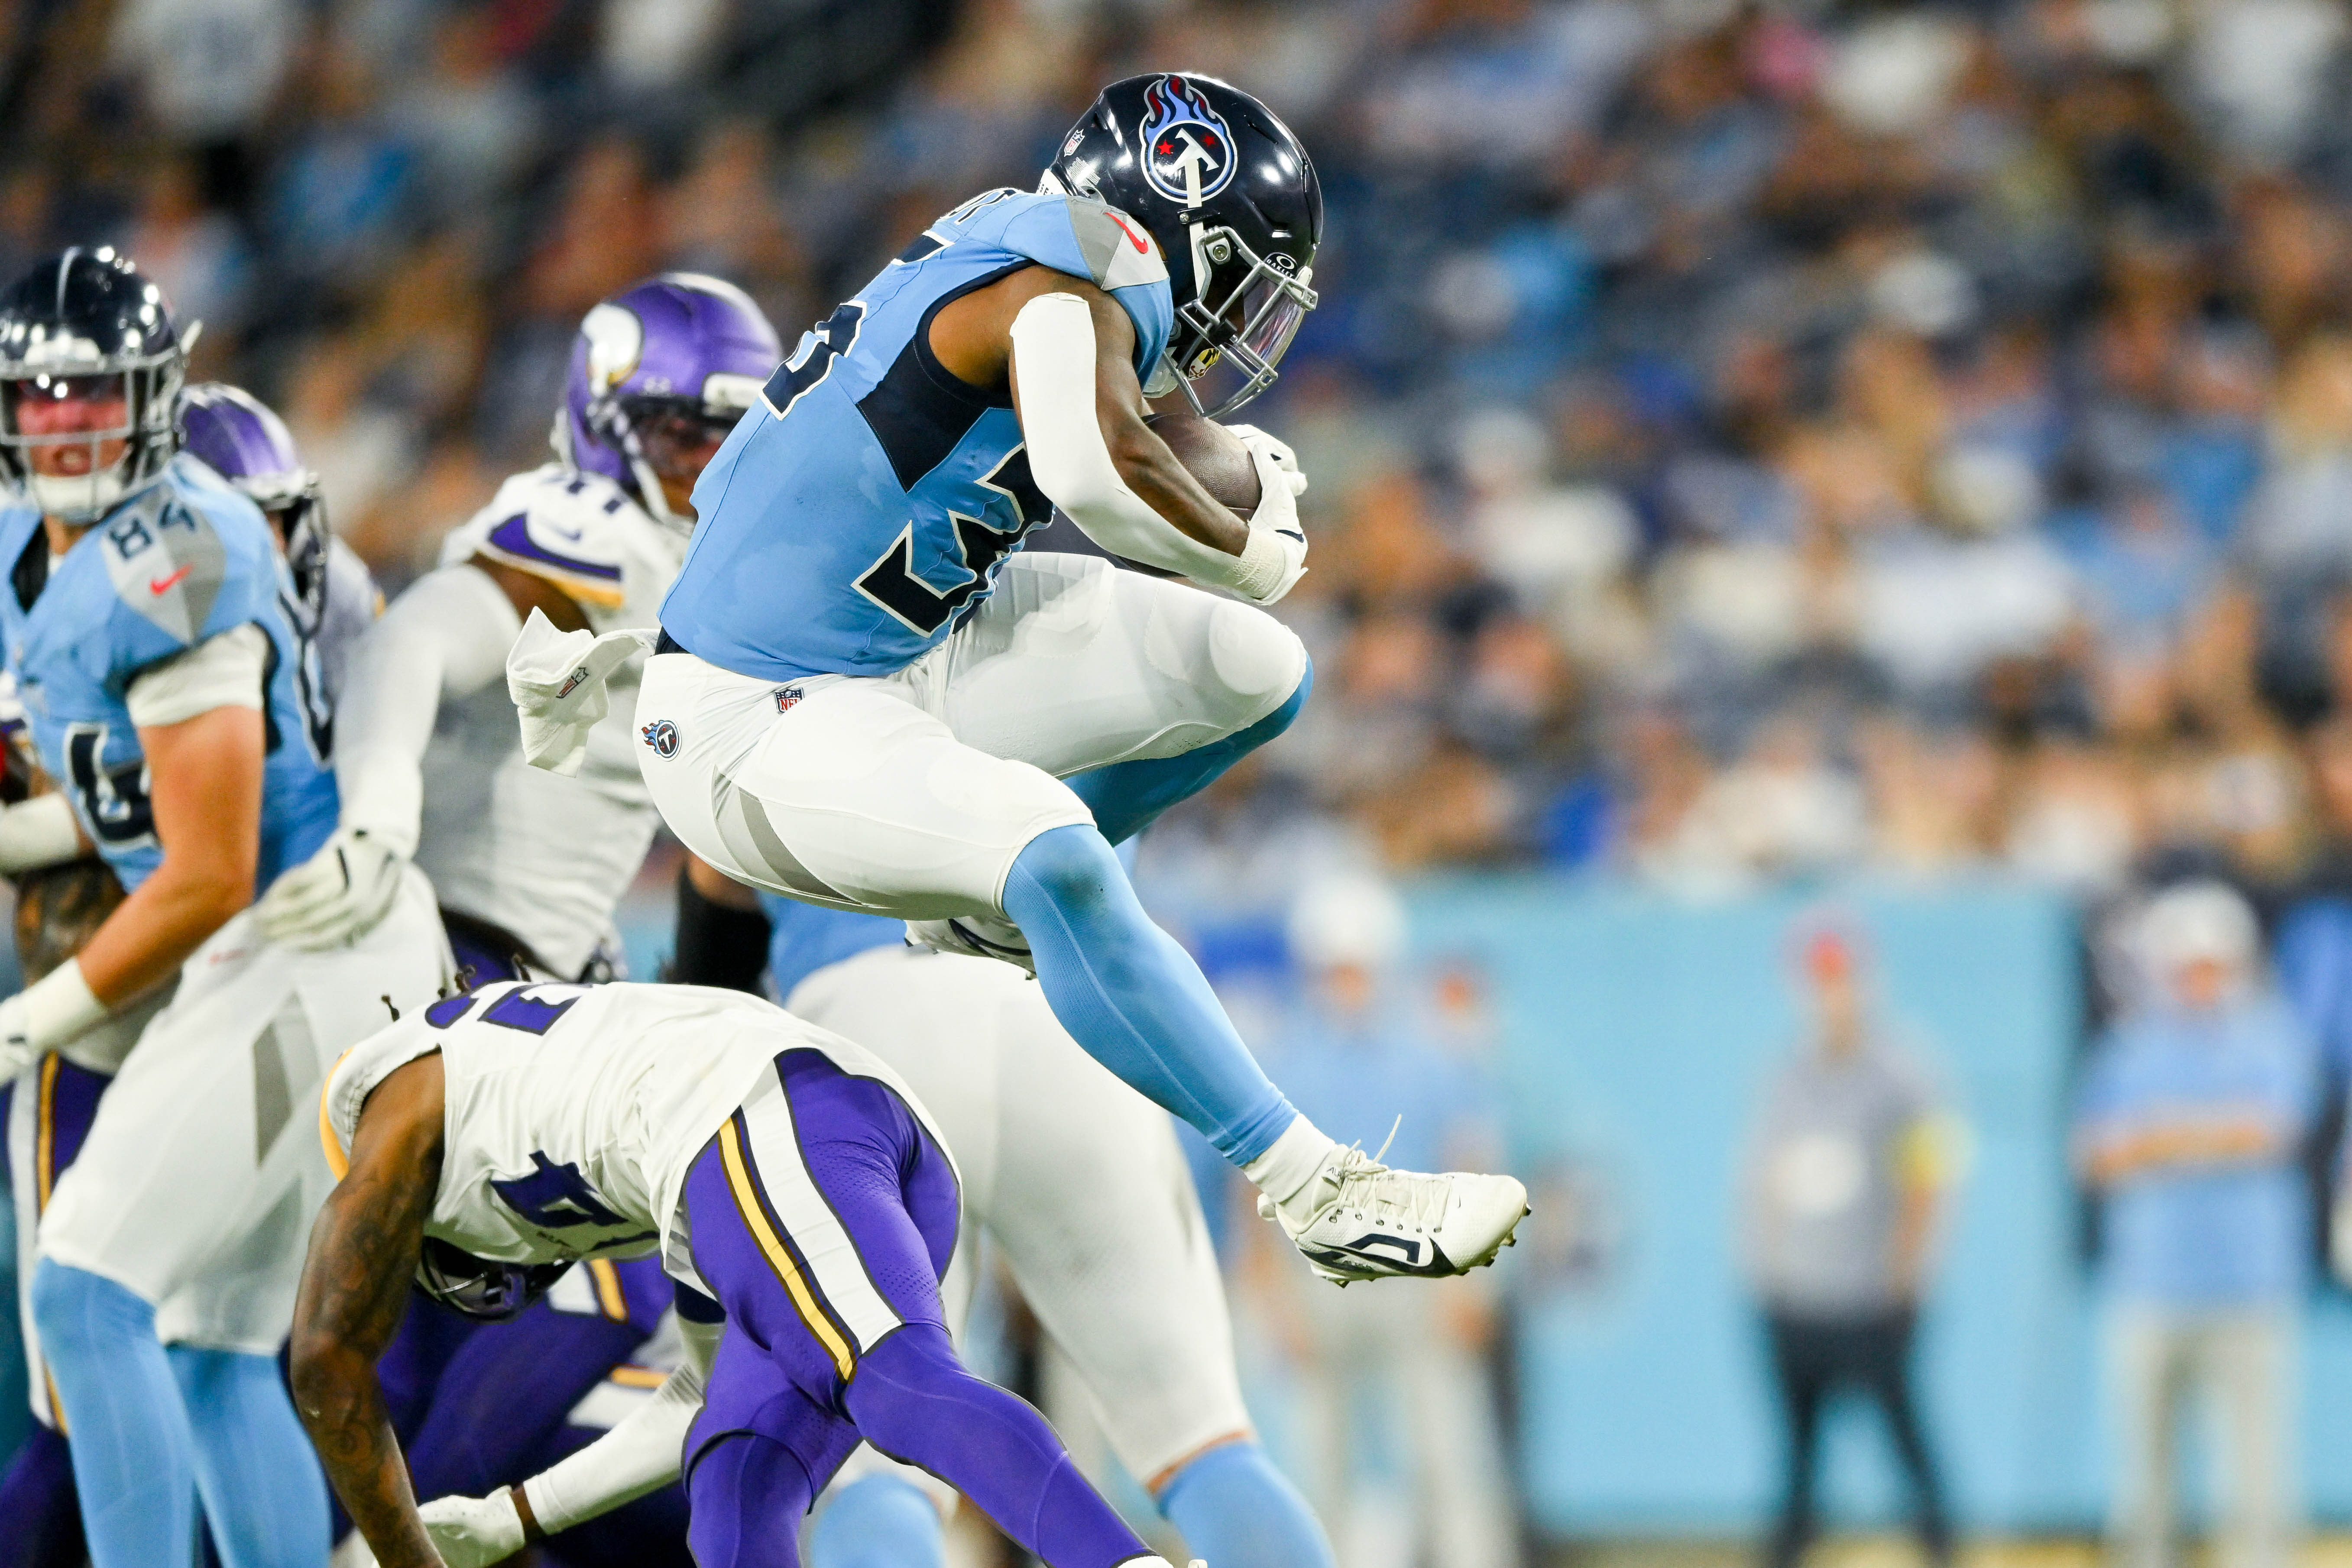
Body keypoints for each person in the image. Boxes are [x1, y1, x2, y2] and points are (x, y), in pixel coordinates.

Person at [509, 72, 1526, 1284]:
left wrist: (1246, 474)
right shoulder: (1057, 281)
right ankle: (1317, 1188)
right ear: (1182, 214)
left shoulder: (1042, 263)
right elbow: (1094, 472)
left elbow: (1143, 431)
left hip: (909, 644)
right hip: (756, 714)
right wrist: (1248, 550)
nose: (1242, 323)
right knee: (1056, 843)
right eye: (1245, 280)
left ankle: (993, 910)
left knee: (1258, 670)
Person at [0, 246, 448, 1568]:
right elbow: (130, 803)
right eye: (44, 399)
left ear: (159, 395)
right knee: (207, 1343)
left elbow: (205, 869)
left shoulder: (178, 553)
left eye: (99, 399)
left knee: (85, 1294)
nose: (70, 429)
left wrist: (26, 1022)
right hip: (295, 943)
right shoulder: (52, 541)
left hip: (295, 939)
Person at [294, 978, 1194, 1568]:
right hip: (818, 1137)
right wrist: (513, 1518)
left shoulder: (396, 1102)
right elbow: (695, 1392)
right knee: (735, 1482)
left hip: (762, 1114)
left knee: (892, 1379)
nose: (520, 1276)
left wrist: (401, 1554)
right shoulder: (567, 1121)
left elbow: (325, 1362)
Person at [632, 872, 1336, 1568]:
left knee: (876, 1462)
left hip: (863, 1015)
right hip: (1065, 1000)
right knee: (1204, 1439)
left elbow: (715, 874)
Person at [255, 272, 781, 985]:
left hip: (530, 961)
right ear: (605, 423)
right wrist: (378, 818)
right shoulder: (605, 534)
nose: (712, 468)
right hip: (443, 952)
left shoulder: (722, 580)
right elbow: (413, 639)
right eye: (685, 438)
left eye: (736, 440)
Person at [1252, 873, 1520, 1568]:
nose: (1346, 983)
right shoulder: (1284, 1056)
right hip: (1315, 1273)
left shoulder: (1430, 1051)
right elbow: (1250, 1184)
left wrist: (1471, 1284)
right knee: (1318, 1463)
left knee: (1449, 1456)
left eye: (1356, 968)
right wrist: (1271, 1298)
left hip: (1419, 1270)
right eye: (1334, 969)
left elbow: (1471, 1165)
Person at [2075, 881, 2315, 1568]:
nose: (2197, 980)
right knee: (2144, 1483)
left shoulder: (2270, 1033)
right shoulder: (2131, 1046)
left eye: (2210, 964)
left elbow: (2267, 1131)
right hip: (2148, 1283)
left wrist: (2157, 1138)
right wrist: (2203, 1136)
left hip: (2249, 1283)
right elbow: (2096, 1152)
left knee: (2257, 1479)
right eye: (2184, 965)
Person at [1739, 920, 1957, 1568]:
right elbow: (1765, 1175)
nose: (1830, 995)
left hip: (1869, 1293)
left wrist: (1907, 1273)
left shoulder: (1902, 1070)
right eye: (1818, 981)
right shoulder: (1787, 1071)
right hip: (1798, 1292)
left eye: (1840, 979)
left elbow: (1930, 1172)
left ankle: (1938, 1548)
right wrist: (1766, 1268)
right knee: (1798, 1458)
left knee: (1904, 1441)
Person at [178, 380, 382, 705]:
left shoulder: (338, 593)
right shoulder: (123, 597)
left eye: (279, 516)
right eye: (246, 519)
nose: (276, 544)